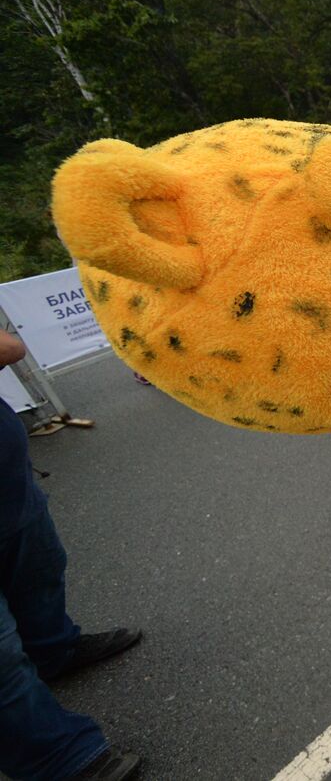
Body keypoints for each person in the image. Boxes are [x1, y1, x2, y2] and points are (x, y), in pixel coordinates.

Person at [0, 331, 143, 781]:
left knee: (39, 571)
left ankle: (53, 650)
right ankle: (57, 760)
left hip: (9, 491)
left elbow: (9, 348)